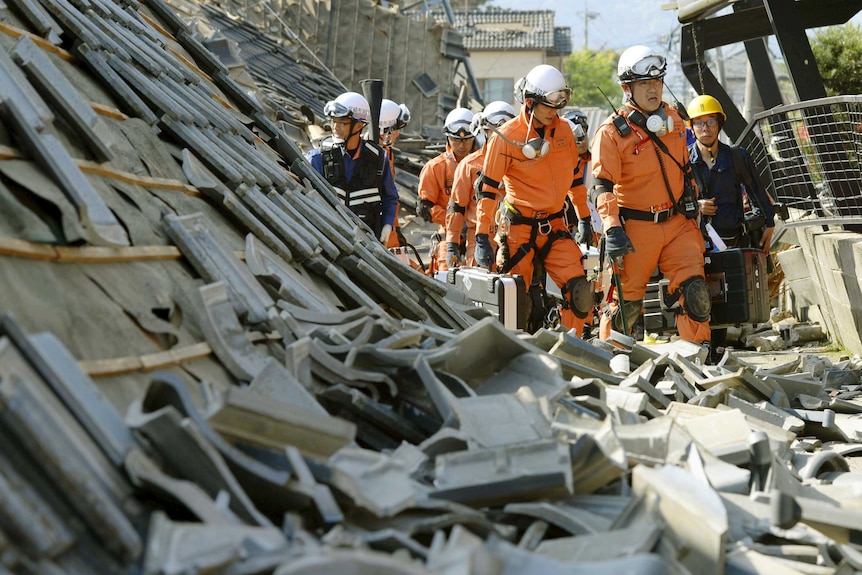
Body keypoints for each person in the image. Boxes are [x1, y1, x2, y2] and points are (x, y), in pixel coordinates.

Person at [590, 45, 711, 344]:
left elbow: (685, 167)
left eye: (657, 82)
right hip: (635, 228)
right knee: (625, 306)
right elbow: (602, 185)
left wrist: (693, 203)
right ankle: (611, 361)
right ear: (626, 88)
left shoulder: (673, 118)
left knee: (696, 293)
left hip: (677, 223)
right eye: (645, 83)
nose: (653, 89)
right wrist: (612, 228)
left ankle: (699, 359)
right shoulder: (610, 133)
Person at [474, 64, 594, 333]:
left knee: (580, 293)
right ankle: (515, 354)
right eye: (551, 105)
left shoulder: (564, 131)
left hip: (555, 226)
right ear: (530, 103)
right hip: (517, 229)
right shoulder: (506, 137)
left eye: (560, 104)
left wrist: (584, 217)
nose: (556, 111)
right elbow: (488, 189)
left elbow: (575, 179)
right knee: (514, 302)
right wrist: (482, 236)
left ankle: (570, 349)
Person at [306, 91, 398, 243]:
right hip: (329, 241)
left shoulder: (379, 159)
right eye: (333, 121)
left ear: (359, 124)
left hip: (368, 244)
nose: (335, 127)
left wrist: (387, 225)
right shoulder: (317, 159)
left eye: (342, 122)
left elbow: (390, 197)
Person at [687, 95, 775, 251]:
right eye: (699, 123)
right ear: (692, 127)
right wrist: (696, 206)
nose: (705, 128)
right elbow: (674, 200)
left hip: (734, 242)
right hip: (695, 243)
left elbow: (757, 192)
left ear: (719, 124)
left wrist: (769, 223)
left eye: (711, 121)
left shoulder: (737, 157)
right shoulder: (683, 161)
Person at [446, 101, 516, 268]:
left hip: (516, 236)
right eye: (495, 131)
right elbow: (457, 207)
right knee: (483, 288)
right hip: (480, 237)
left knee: (517, 288)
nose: (501, 136)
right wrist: (451, 245)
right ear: (485, 131)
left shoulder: (523, 163)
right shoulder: (469, 165)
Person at [417, 107, 476, 272]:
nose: (461, 145)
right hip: (448, 238)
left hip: (480, 237)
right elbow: (424, 207)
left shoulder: (485, 164)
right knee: (446, 284)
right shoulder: (435, 167)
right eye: (456, 139)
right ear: (448, 138)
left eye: (466, 140)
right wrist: (454, 222)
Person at [379, 98, 412, 248]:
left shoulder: (387, 153)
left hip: (387, 222)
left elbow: (390, 195)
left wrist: (396, 227)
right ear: (388, 129)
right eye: (397, 129)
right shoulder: (371, 154)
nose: (398, 135)